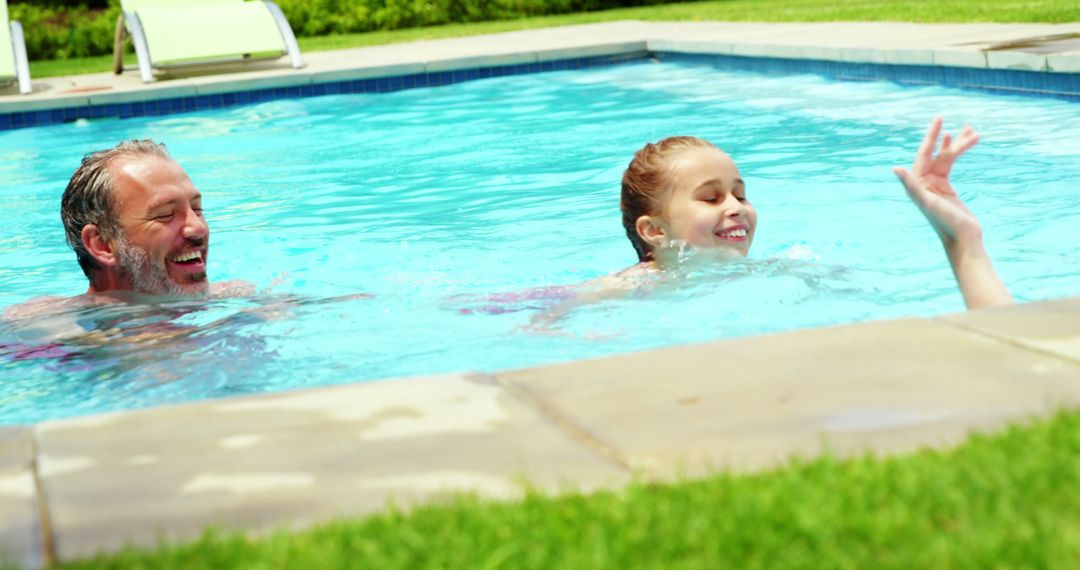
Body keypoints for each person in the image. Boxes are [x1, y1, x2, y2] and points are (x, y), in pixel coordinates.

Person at [527, 117, 1012, 331]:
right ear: (654, 231)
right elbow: (547, 320)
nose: (735, 206)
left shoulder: (777, 268)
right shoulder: (630, 287)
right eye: (711, 197)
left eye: (740, 193)